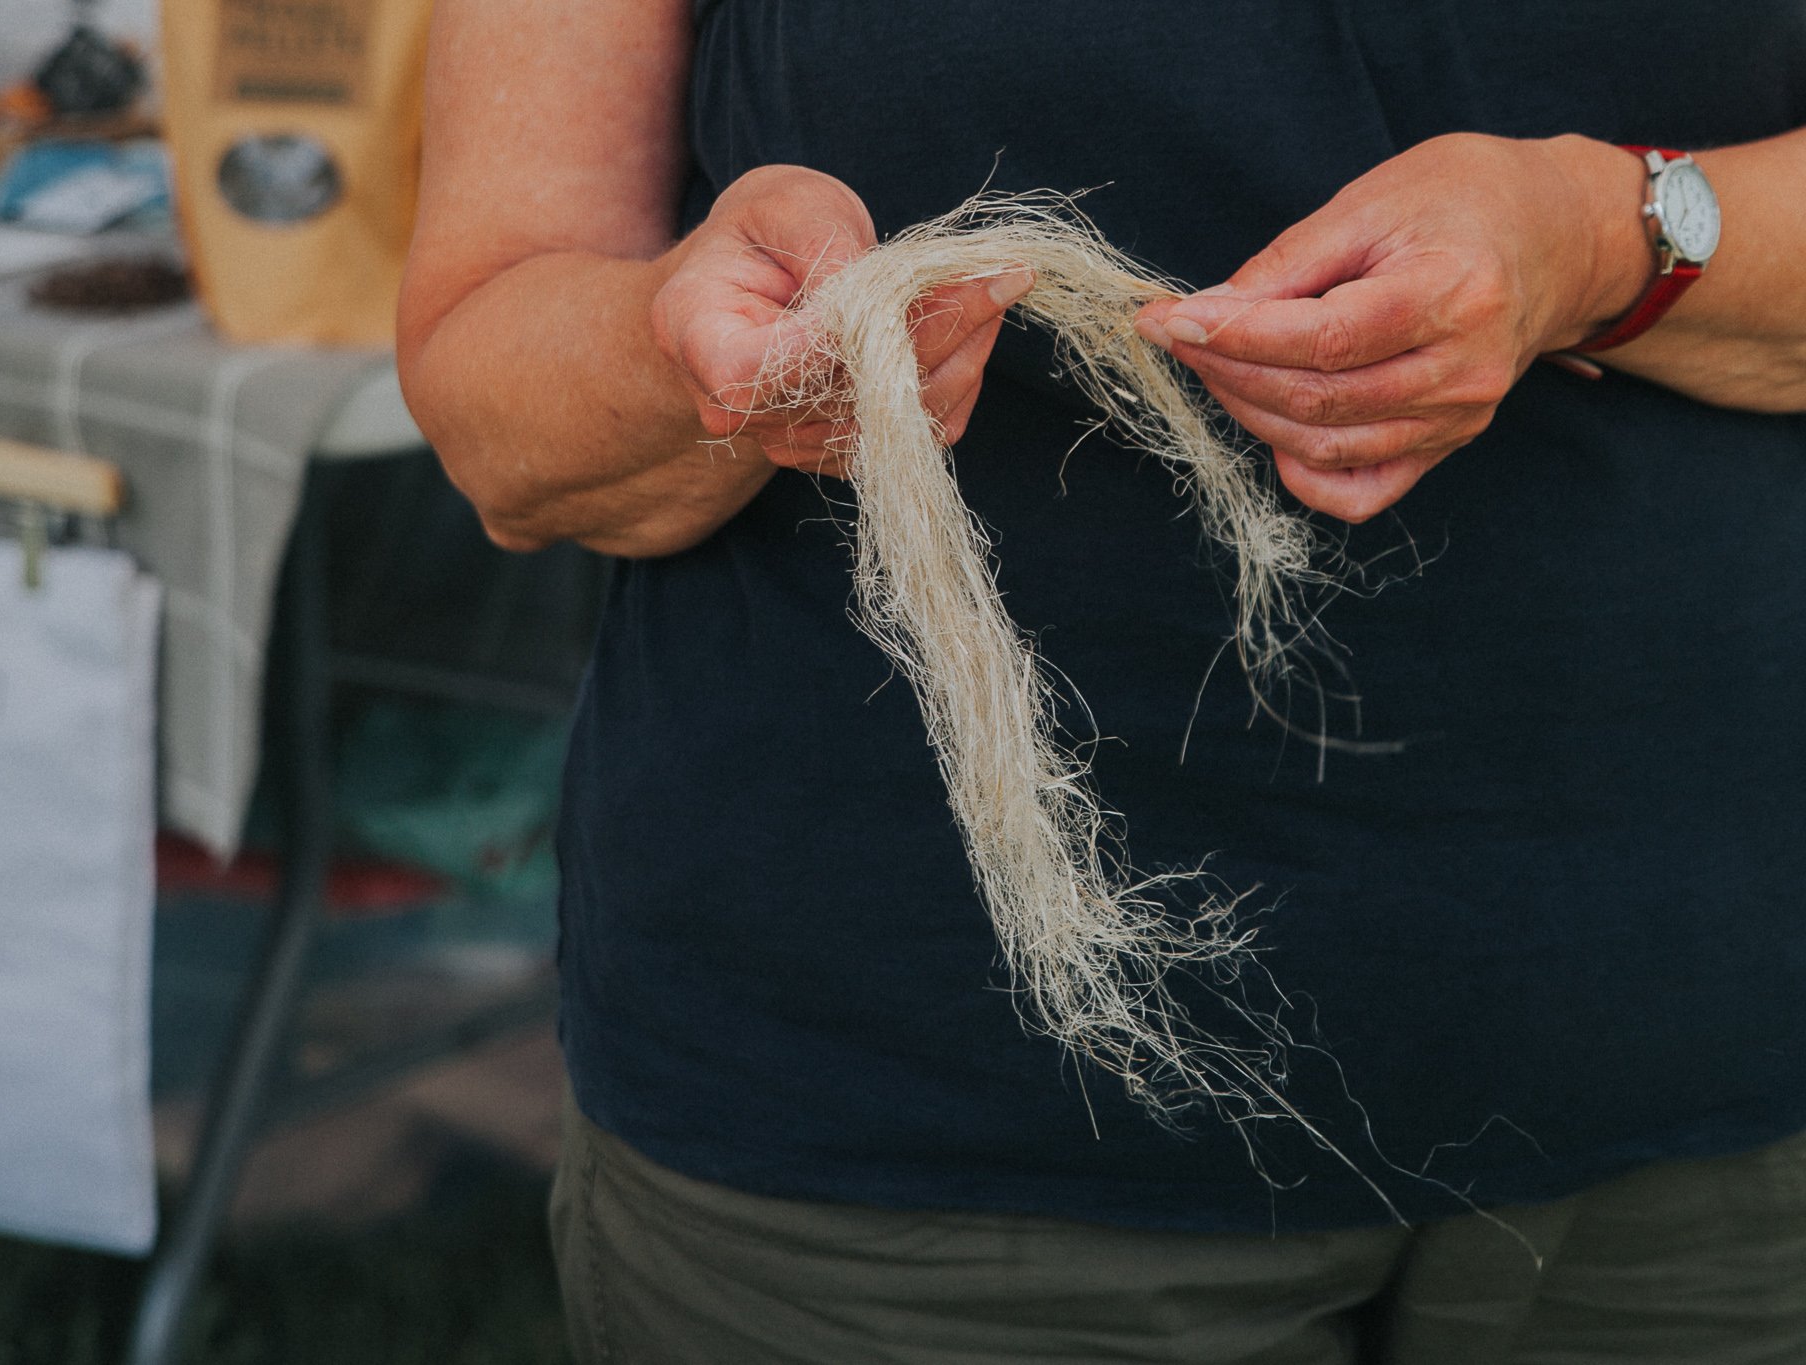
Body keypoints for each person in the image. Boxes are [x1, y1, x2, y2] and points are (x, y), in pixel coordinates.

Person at [397, 2, 1806, 1360]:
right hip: (902, 1131)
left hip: (1705, 1058)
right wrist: (689, 349)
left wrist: (1604, 238)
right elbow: (497, 403)